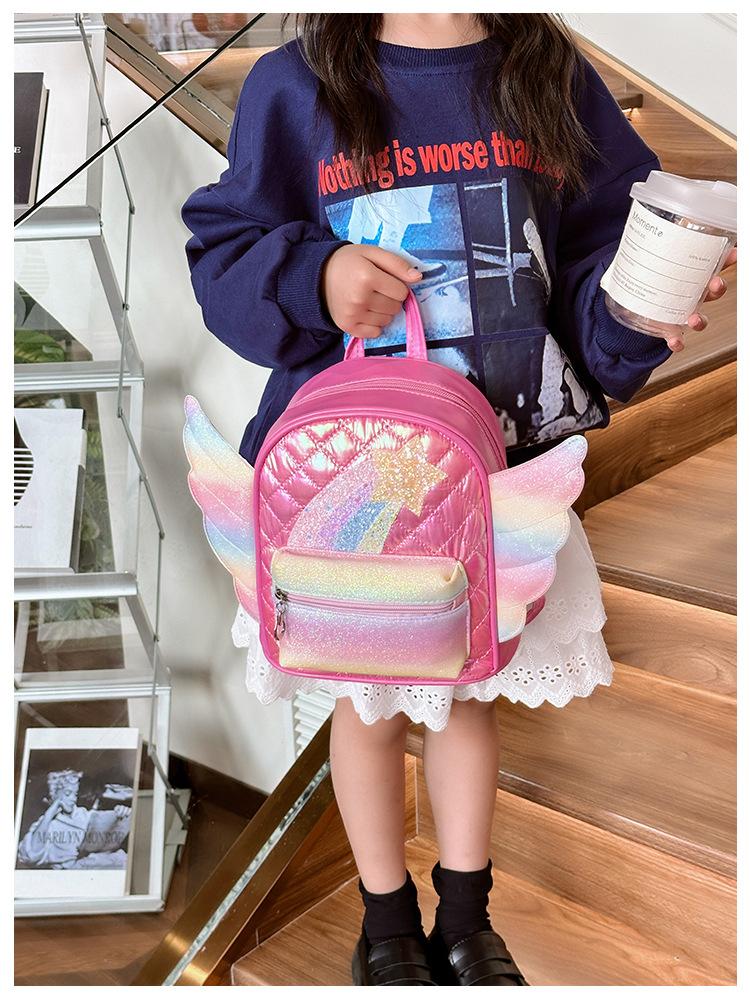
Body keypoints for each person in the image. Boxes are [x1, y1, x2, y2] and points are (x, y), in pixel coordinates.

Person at [180, 13, 735, 986]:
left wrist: (639, 314)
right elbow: (226, 249)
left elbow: (597, 265)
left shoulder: (553, 75)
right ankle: (385, 924)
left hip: (497, 480)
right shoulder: (294, 84)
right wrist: (317, 275)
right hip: (355, 485)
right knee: (366, 705)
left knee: (470, 697)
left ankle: (468, 922)